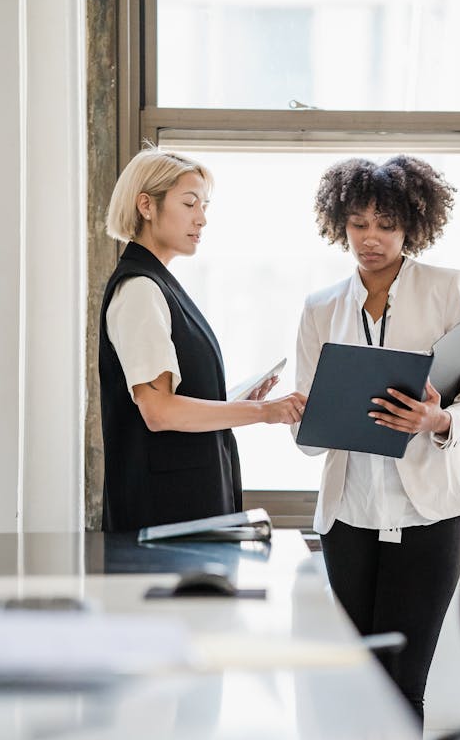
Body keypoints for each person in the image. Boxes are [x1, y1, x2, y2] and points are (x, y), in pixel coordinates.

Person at [293, 155, 460, 727]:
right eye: (357, 223)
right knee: (360, 688)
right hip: (348, 519)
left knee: (403, 686)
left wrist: (436, 420)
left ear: (412, 224)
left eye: (385, 224)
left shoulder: (447, 287)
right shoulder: (319, 307)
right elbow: (307, 440)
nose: (370, 238)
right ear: (340, 224)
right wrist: (304, 416)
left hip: (428, 516)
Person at [99, 146, 306, 532]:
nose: (202, 218)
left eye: (205, 205)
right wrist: (265, 412)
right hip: (166, 513)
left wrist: (235, 400)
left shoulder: (160, 284)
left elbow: (173, 401)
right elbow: (158, 412)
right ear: (147, 205)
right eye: (190, 203)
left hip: (183, 506)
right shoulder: (141, 289)